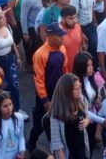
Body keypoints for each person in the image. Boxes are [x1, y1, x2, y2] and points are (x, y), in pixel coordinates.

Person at [27, 22, 69, 152]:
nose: (62, 39)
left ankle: (57, 149)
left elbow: (65, 70)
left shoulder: (62, 49)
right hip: (46, 95)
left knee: (58, 122)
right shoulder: (40, 54)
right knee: (40, 123)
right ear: (49, 36)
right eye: (59, 36)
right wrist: (45, 100)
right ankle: (31, 143)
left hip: (59, 93)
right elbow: (38, 79)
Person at [0, 7, 27, 120]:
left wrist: (17, 56)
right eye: (2, 18)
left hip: (9, 58)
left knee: (14, 84)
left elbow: (13, 44)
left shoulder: (8, 28)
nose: (5, 19)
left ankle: (17, 109)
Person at [49, 73, 91, 159]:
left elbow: (87, 114)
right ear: (66, 91)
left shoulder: (81, 99)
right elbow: (56, 142)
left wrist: (87, 120)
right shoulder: (56, 112)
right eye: (76, 89)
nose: (79, 90)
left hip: (82, 148)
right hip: (68, 153)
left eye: (80, 87)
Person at [0, 92, 27, 159]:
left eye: (10, 104)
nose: (9, 108)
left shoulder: (19, 118)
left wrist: (22, 151)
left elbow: (21, 137)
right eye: (5, 106)